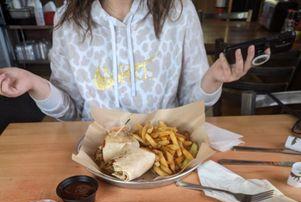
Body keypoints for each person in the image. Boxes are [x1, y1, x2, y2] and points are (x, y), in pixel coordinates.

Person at [0, 0, 256, 120]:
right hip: (98, 155)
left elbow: (191, 103)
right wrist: (33, 82)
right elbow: (71, 110)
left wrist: (212, 80)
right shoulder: (67, 19)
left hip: (166, 147)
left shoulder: (178, 10)